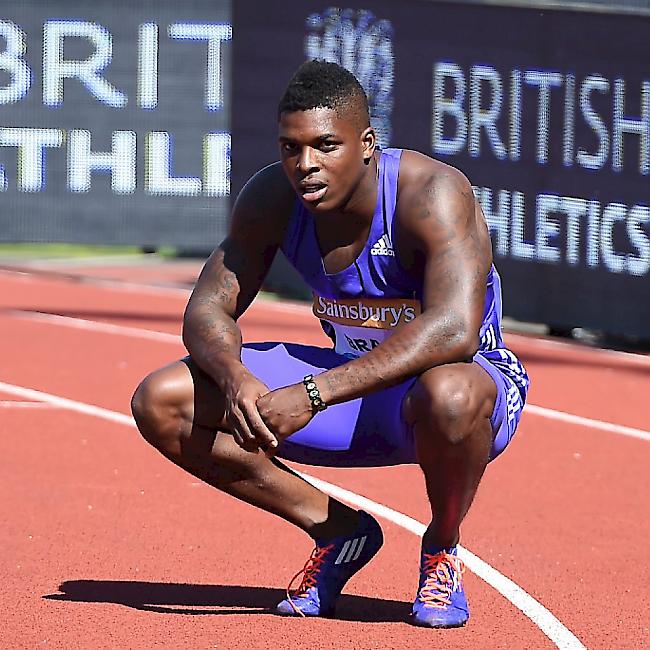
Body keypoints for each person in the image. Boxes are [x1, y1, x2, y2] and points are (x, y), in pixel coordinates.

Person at [131, 60, 529, 628]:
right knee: (162, 399)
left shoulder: (432, 192)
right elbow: (207, 309)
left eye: (325, 146)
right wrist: (233, 375)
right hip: (348, 385)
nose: (305, 166)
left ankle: (441, 546)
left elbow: (453, 330)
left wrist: (313, 394)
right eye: (291, 149)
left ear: (366, 144)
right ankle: (340, 531)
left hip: (453, 388)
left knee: (453, 394)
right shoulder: (272, 195)